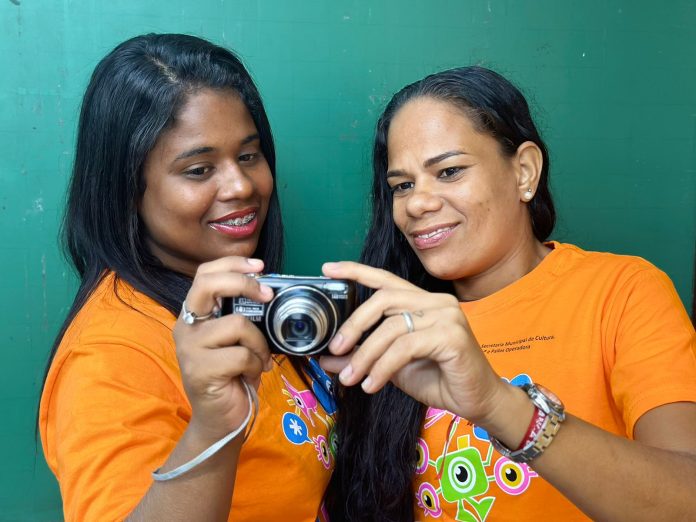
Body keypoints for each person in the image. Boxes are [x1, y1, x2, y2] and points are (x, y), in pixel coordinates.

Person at [321, 66, 696, 521]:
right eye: (402, 185)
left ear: (524, 171)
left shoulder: (622, 292)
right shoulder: (389, 325)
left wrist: (501, 407)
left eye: (449, 171)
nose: (418, 203)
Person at [39, 33, 335, 522]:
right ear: (128, 189)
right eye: (199, 170)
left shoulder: (245, 300)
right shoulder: (111, 356)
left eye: (248, 156)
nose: (242, 186)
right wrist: (213, 426)